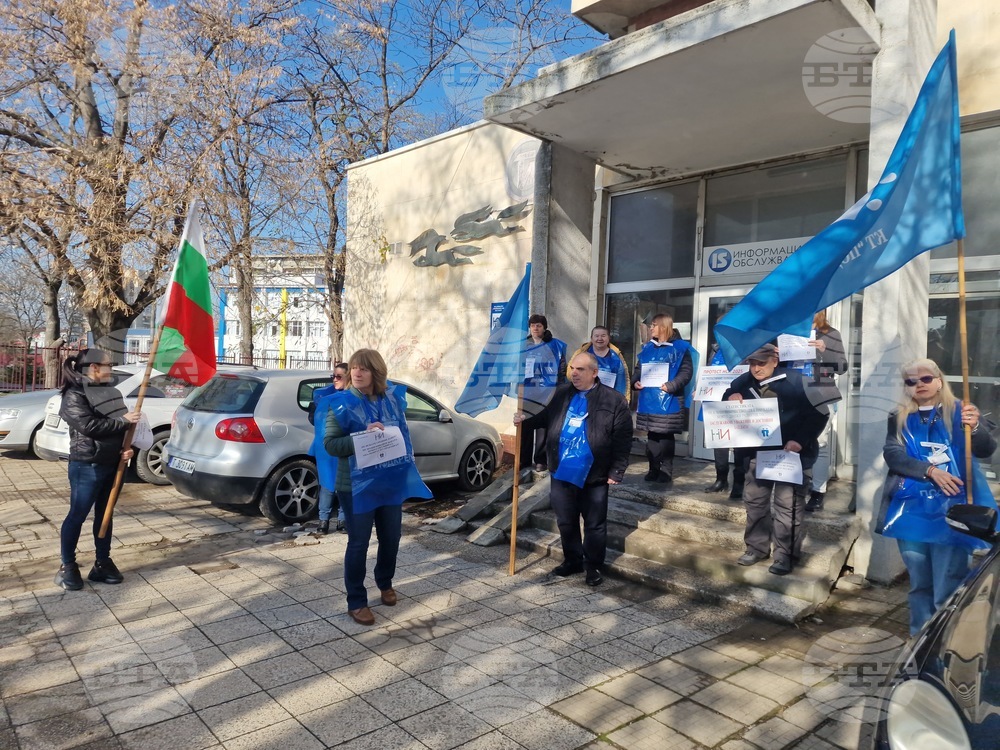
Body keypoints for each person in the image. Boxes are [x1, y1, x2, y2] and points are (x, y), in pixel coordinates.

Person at [875, 358, 996, 635]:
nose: (919, 384)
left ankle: (945, 642)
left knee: (949, 584)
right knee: (919, 585)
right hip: (911, 512)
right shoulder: (898, 416)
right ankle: (919, 641)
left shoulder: (962, 411)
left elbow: (986, 449)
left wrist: (975, 428)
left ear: (939, 380)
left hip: (953, 511)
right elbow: (893, 455)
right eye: (911, 381)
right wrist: (930, 471)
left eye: (926, 378)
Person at [324, 349, 432, 626]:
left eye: (364, 369)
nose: (357, 373)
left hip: (389, 481)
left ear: (376, 372)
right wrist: (361, 438)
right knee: (358, 543)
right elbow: (331, 445)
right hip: (355, 486)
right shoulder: (341, 403)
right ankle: (356, 601)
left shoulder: (393, 402)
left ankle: (385, 583)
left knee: (391, 538)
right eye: (354, 369)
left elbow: (403, 435)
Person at [514, 353, 633, 586]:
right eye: (571, 368)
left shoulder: (614, 400)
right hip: (561, 470)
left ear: (594, 373)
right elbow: (543, 418)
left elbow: (623, 439)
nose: (574, 373)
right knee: (566, 520)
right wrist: (523, 418)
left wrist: (616, 470)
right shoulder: (560, 394)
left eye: (580, 369)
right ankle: (573, 560)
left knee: (594, 524)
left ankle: (593, 566)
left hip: (594, 473)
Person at [722, 343, 828, 576]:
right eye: (751, 363)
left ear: (774, 361)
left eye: (761, 363)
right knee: (755, 504)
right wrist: (731, 396)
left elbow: (821, 413)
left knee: (787, 507)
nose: (756, 368)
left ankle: (784, 555)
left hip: (790, 455)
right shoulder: (743, 381)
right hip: (755, 454)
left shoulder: (799, 381)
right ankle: (756, 548)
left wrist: (799, 441)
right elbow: (725, 399)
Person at [54, 348, 141, 591]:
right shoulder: (74, 395)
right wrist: (124, 422)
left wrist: (127, 448)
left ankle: (102, 563)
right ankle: (67, 566)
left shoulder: (110, 393)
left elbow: (121, 426)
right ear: (94, 368)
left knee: (105, 514)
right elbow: (89, 425)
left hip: (113, 463)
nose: (110, 369)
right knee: (78, 514)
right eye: (108, 365)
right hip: (86, 464)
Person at [796, 309, 849, 512]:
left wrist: (824, 350)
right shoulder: (791, 332)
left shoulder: (830, 333)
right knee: (794, 440)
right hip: (795, 394)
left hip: (821, 394)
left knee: (821, 442)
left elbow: (842, 367)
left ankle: (818, 491)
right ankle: (798, 483)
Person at [632, 313, 694, 484]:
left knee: (665, 437)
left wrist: (671, 385)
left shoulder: (681, 348)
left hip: (669, 400)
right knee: (652, 437)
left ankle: (666, 471)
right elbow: (639, 369)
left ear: (663, 326)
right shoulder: (647, 348)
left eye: (654, 325)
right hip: (649, 400)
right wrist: (635, 381)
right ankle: (653, 469)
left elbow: (686, 372)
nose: (650, 328)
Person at [519, 313, 568, 472]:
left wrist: (559, 390)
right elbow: (517, 368)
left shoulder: (555, 345)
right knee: (525, 426)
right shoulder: (524, 345)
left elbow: (562, 370)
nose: (535, 328)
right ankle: (524, 461)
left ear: (544, 327)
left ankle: (540, 460)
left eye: (538, 325)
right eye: (532, 325)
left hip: (548, 393)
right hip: (528, 393)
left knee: (543, 427)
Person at [309, 362, 348, 534]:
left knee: (343, 484)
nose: (334, 379)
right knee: (327, 483)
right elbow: (314, 420)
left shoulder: (353, 397)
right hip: (326, 448)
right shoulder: (325, 396)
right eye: (333, 376)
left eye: (338, 376)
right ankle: (323, 521)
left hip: (341, 446)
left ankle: (342, 520)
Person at [567, 325, 630, 400]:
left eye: (603, 336)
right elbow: (570, 375)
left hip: (608, 400)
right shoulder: (582, 353)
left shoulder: (616, 356)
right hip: (584, 398)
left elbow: (621, 383)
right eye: (596, 336)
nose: (600, 339)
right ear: (591, 338)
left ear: (608, 338)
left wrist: (621, 402)